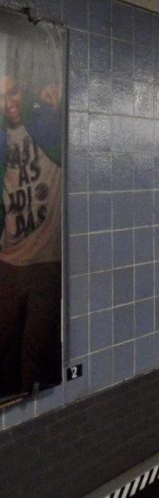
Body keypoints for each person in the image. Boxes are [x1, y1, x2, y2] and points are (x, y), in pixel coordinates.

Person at [0, 59, 64, 397]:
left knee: (35, 366)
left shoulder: (47, 123)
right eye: (0, 97)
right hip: (7, 261)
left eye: (13, 92)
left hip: (45, 263)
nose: (9, 103)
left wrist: (58, 100)